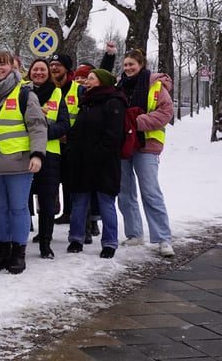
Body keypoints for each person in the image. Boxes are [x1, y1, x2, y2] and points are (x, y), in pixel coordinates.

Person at [0, 50, 47, 274]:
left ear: (13, 67)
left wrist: (37, 154)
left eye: (3, 64)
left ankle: (19, 252)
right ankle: (4, 250)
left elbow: (37, 125)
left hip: (19, 163)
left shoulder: (24, 93)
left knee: (18, 209)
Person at [116, 48, 175, 257]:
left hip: (147, 145)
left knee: (150, 191)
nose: (128, 68)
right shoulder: (119, 86)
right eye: (125, 65)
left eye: (132, 64)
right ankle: (134, 234)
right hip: (124, 145)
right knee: (124, 192)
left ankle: (163, 238)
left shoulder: (156, 85)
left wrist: (135, 122)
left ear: (141, 65)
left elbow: (166, 112)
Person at [65, 69, 126, 258]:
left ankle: (109, 243)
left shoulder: (113, 102)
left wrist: (97, 153)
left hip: (104, 163)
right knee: (79, 202)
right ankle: (76, 239)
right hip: (81, 161)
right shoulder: (87, 102)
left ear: (102, 82)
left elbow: (114, 135)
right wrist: (72, 150)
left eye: (91, 79)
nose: (86, 81)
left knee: (106, 202)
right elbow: (76, 130)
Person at [26, 57, 70, 259]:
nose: (39, 73)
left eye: (43, 70)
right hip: (24, 153)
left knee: (47, 201)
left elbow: (64, 124)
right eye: (35, 70)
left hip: (50, 154)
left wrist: (41, 131)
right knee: (20, 200)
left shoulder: (57, 92)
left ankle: (45, 243)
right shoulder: (22, 92)